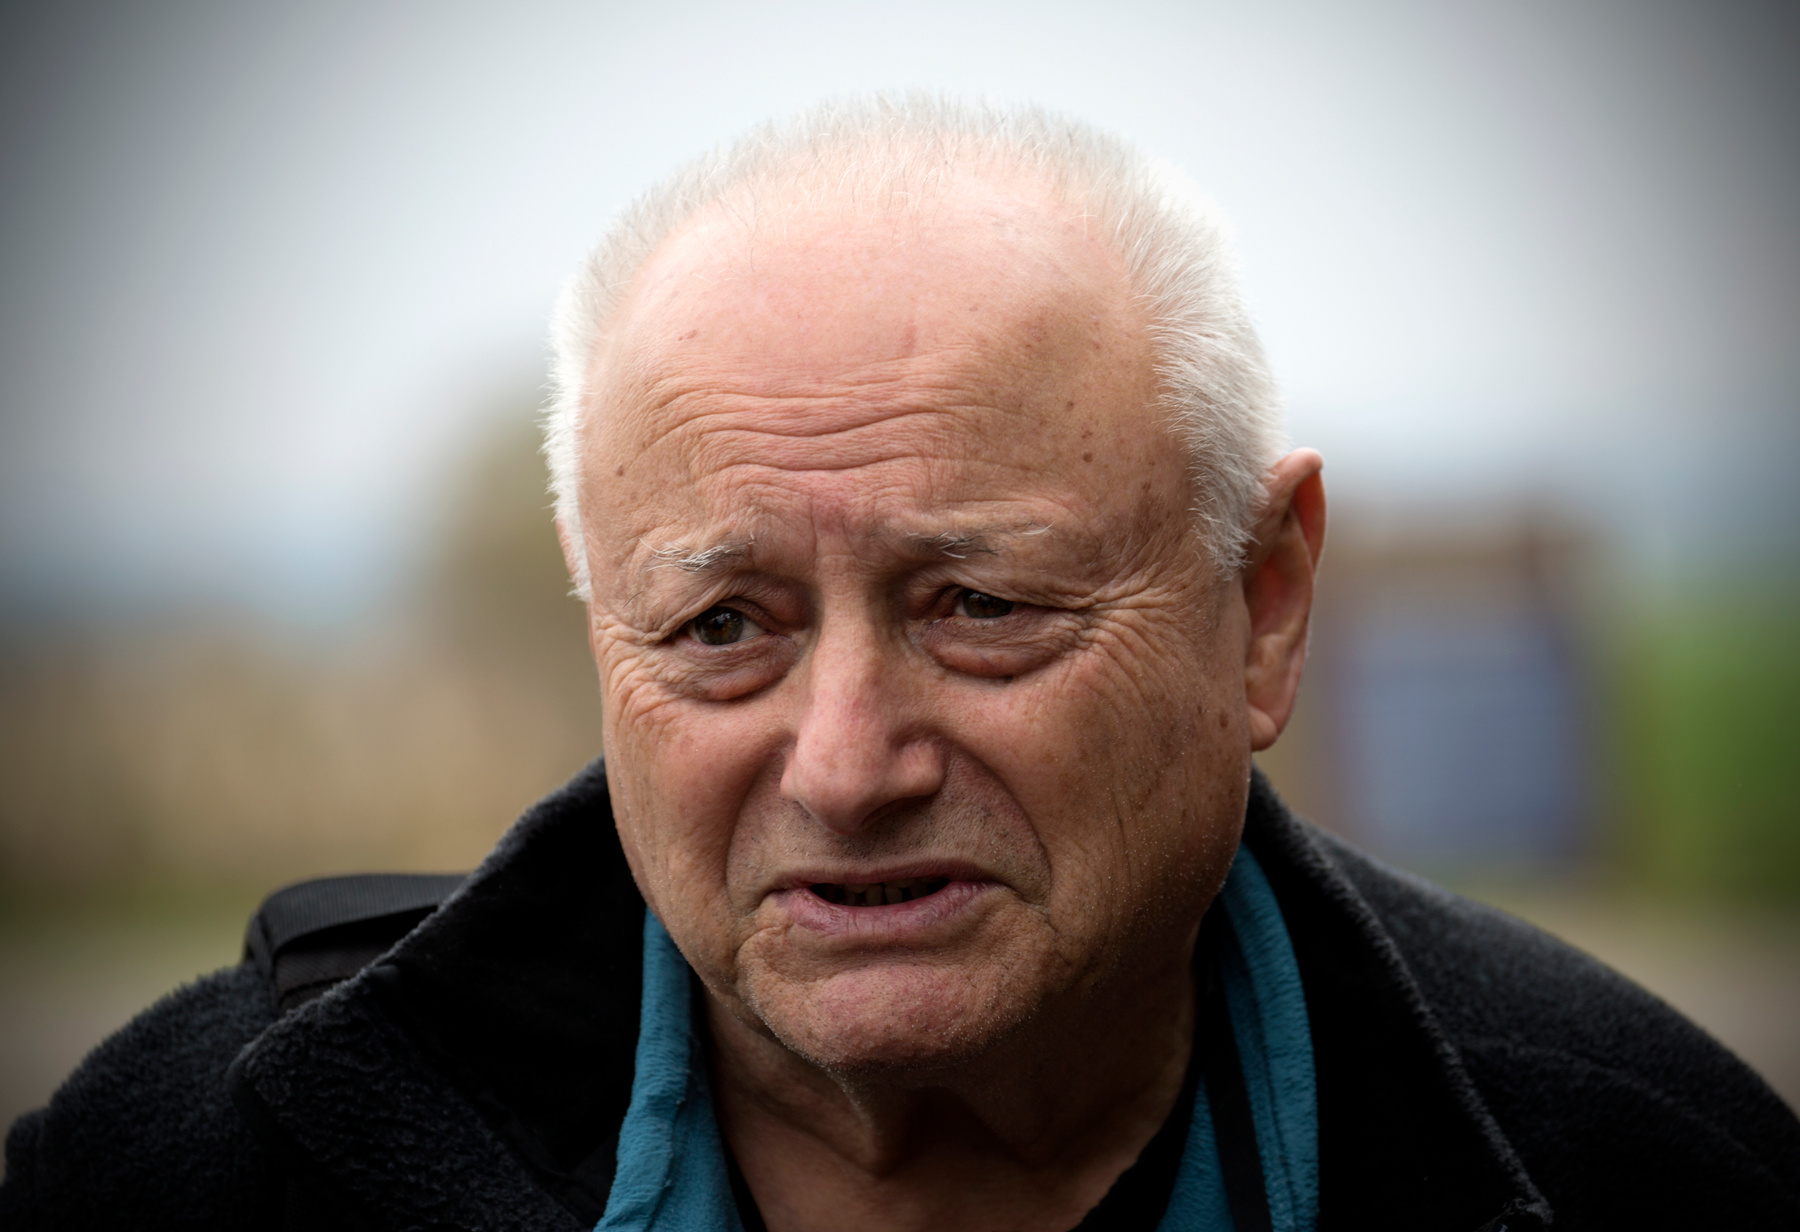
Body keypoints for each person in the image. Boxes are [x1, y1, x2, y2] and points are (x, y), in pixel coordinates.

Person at [3, 96, 1796, 1232]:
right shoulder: (201, 1178)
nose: (849, 766)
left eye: (978, 605)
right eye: (724, 628)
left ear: (1261, 605)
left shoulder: (1641, 1171)